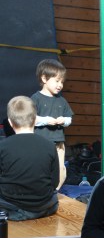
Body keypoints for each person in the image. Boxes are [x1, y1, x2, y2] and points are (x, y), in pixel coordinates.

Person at [0, 96, 59, 220]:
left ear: (10, 122)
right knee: (54, 196)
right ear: (36, 120)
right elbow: (55, 182)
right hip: (43, 207)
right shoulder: (50, 145)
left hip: (10, 207)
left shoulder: (2, 146)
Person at [31, 59, 73, 190]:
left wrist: (64, 120)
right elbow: (31, 119)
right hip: (40, 143)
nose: (60, 85)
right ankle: (39, 191)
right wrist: (46, 120)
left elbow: (69, 119)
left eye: (62, 82)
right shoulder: (36, 98)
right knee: (41, 168)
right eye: (57, 81)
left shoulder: (62, 100)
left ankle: (55, 191)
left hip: (58, 144)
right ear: (44, 78)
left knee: (60, 169)